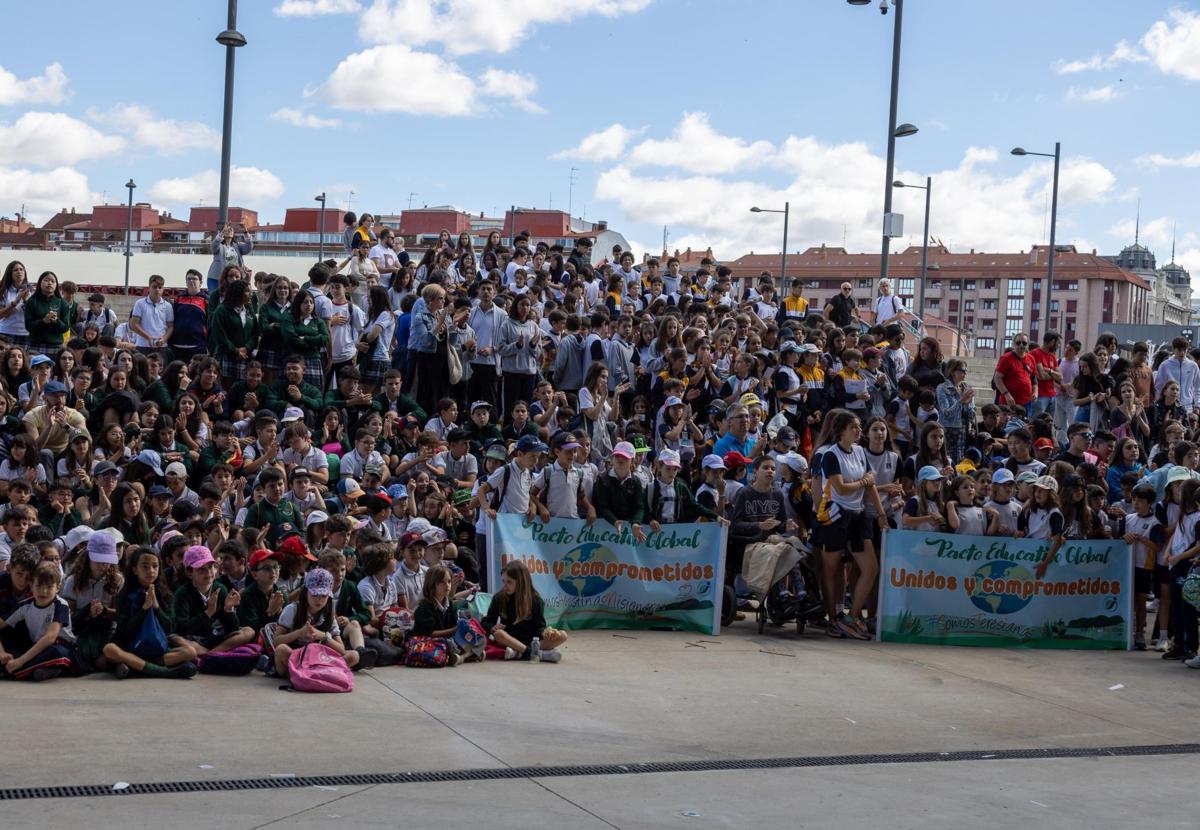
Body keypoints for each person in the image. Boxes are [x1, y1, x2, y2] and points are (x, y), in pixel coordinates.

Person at [481, 560, 566, 661]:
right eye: (503, 581)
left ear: (521, 582)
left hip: (529, 641)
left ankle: (519, 653)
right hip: (509, 640)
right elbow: (486, 621)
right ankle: (535, 654)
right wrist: (492, 627)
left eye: (509, 582)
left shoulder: (536, 600)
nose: (505, 585)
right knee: (499, 634)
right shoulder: (499, 598)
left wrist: (546, 633)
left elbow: (538, 628)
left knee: (562, 636)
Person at [129, 274, 174, 355]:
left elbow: (171, 326)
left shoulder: (168, 306)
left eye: (160, 287)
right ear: (149, 287)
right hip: (143, 346)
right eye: (154, 287)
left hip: (162, 347)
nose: (157, 290)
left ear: (163, 289)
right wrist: (148, 337)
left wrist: (164, 339)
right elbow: (133, 324)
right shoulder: (140, 303)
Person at [992, 332, 1036, 416]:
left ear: (1027, 345)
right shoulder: (1006, 358)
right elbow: (997, 379)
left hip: (1027, 402)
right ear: (1014, 344)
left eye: (1024, 343)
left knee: (1024, 427)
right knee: (1008, 427)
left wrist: (1035, 392)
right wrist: (1006, 394)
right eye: (1018, 343)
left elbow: (1034, 378)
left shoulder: (1031, 358)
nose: (1021, 345)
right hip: (1009, 402)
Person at [207, 224, 253, 293]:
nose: (229, 231)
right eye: (227, 229)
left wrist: (245, 232)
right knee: (216, 299)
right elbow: (214, 247)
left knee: (233, 298)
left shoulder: (237, 246)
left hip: (233, 278)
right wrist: (221, 233)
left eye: (231, 229)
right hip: (216, 278)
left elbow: (248, 248)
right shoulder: (219, 245)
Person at [1027, 332, 1061, 418]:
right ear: (1052, 342)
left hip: (1052, 396)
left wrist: (1049, 370)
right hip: (1040, 396)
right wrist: (1053, 374)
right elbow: (1041, 376)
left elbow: (1060, 377)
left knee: (1049, 424)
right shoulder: (1034, 354)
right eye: (1058, 343)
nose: (1059, 345)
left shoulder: (1052, 356)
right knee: (1036, 422)